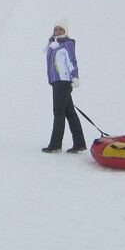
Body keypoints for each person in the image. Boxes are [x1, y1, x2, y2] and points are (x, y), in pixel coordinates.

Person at [42, 20, 87, 153]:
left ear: (65, 31)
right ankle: (79, 143)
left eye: (60, 29)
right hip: (56, 82)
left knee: (58, 111)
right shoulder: (53, 46)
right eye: (56, 29)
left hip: (63, 81)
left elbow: (72, 61)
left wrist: (75, 76)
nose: (58, 31)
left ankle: (55, 144)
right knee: (69, 112)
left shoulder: (67, 45)